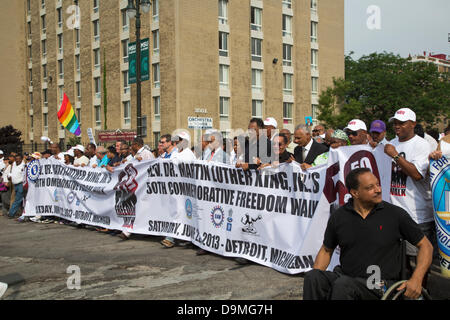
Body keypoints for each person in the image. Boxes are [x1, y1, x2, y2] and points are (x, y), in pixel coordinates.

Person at [303, 168, 433, 300]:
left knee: (343, 285)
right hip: (346, 277)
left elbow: (426, 246)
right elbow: (326, 250)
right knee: (313, 277)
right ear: (355, 193)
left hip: (380, 285)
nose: (378, 190)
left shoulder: (395, 214)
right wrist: (317, 272)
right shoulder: (339, 216)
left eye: (378, 184)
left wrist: (416, 279)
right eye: (370, 187)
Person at [384, 108, 438, 261]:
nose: (397, 126)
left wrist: (395, 155)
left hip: (417, 214)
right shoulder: (391, 144)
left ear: (413, 124)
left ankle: (420, 286)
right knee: (398, 261)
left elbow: (417, 174)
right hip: (394, 214)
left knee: (418, 261)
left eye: (402, 123)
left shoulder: (421, 145)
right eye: (395, 123)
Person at [7, 154, 25, 219]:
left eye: (18, 159)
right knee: (17, 200)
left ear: (21, 159)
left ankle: (11, 213)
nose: (17, 160)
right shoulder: (14, 164)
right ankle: (17, 212)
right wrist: (9, 175)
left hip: (20, 184)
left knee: (17, 199)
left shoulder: (23, 166)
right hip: (15, 184)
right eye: (16, 159)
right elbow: (13, 172)